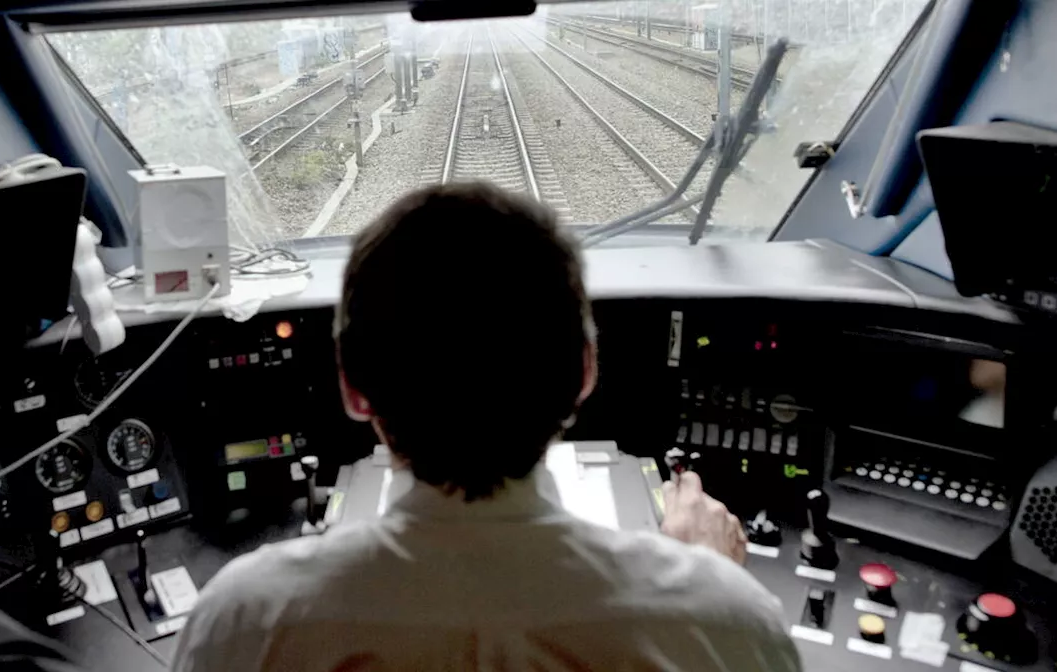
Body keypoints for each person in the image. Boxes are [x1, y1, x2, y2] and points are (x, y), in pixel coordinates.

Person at [173, 182, 800, 671]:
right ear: (584, 373)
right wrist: (704, 582)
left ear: (352, 387)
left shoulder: (242, 619)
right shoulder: (730, 619)